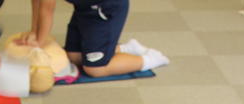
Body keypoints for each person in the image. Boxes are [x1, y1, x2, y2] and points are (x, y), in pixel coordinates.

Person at [22, 0, 169, 78]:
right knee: (74, 57)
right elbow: (37, 2)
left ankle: (152, 58)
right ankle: (126, 48)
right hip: (85, 9)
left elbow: (47, 10)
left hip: (107, 9)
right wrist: (34, 31)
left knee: (95, 69)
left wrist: (39, 44)